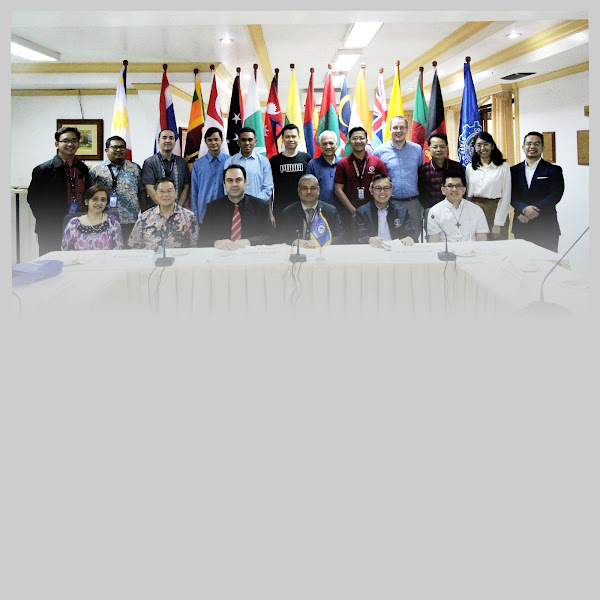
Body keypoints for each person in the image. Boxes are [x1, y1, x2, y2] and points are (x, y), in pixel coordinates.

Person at [27, 126, 92, 255]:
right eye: (65, 141)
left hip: (78, 224)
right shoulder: (43, 170)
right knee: (51, 262)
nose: (70, 144)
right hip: (50, 227)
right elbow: (33, 199)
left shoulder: (83, 168)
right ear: (57, 144)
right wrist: (45, 219)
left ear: (78, 144)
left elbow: (87, 194)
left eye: (74, 140)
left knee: (76, 260)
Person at [510, 131, 565, 252]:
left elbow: (555, 195)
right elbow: (511, 195)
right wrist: (524, 209)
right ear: (523, 147)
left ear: (543, 147)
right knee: (522, 260)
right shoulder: (513, 170)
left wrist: (531, 211)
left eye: (537, 143)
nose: (532, 147)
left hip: (546, 226)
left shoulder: (553, 170)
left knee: (547, 261)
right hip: (521, 224)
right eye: (529, 143)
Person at [199, 165, 274, 249]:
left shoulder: (260, 206)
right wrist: (216, 243)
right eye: (229, 180)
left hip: (250, 255)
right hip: (222, 255)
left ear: (245, 181)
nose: (234, 184)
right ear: (224, 184)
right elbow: (202, 240)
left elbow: (271, 237)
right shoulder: (213, 208)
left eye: (238, 180)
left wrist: (249, 242)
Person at [89, 135, 145, 242]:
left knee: (129, 249)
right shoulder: (96, 170)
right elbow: (89, 195)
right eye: (115, 147)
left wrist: (144, 216)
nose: (119, 150)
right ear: (106, 150)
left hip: (130, 220)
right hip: (103, 219)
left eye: (122, 147)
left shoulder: (135, 168)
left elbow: (141, 192)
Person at [334, 126, 387, 237]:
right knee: (351, 241)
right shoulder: (343, 163)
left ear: (367, 141)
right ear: (349, 142)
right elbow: (338, 189)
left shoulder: (377, 162)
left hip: (373, 212)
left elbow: (385, 187)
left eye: (361, 138)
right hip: (349, 212)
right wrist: (354, 211)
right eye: (354, 138)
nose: (358, 141)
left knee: (373, 240)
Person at [373, 115, 423, 228]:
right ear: (390, 129)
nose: (398, 131)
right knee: (391, 235)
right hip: (389, 203)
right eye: (395, 128)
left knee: (414, 236)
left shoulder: (417, 150)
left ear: (407, 129)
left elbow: (420, 174)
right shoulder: (379, 151)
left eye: (402, 127)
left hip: (412, 203)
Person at [128, 177, 198, 249]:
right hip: (152, 256)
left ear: (176, 194)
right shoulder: (144, 218)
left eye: (169, 191)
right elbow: (134, 246)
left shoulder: (189, 216)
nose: (165, 195)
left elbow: (194, 245)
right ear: (156, 195)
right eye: (161, 191)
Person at [465, 132, 511, 240]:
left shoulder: (503, 167)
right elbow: (467, 195)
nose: (482, 148)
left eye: (486, 144)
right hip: (474, 209)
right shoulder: (470, 168)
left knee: (497, 245)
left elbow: (506, 196)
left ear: (492, 146)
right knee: (477, 244)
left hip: (494, 210)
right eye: (478, 145)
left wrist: (498, 224)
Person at [278, 174, 345, 247]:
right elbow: (278, 237)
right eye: (304, 188)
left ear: (318, 190)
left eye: (313, 188)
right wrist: (293, 241)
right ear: (298, 191)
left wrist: (322, 241)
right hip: (298, 251)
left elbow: (341, 237)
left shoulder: (330, 211)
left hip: (321, 251)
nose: (309, 192)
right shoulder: (288, 212)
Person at [355, 174, 419, 247]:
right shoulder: (362, 212)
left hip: (396, 251)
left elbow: (412, 234)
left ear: (391, 190)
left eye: (386, 188)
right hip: (373, 250)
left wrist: (410, 238)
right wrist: (369, 240)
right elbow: (359, 237)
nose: (382, 192)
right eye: (378, 188)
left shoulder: (401, 212)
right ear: (371, 190)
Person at [427, 171, 489, 242]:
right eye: (450, 186)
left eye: (458, 186)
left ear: (464, 190)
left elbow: (482, 240)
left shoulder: (477, 210)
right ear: (443, 190)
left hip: (470, 249)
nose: (454, 189)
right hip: (446, 249)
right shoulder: (434, 212)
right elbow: (434, 242)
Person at [61, 184, 123, 251]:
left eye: (103, 200)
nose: (99, 203)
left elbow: (118, 250)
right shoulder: (73, 224)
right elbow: (65, 251)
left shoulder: (113, 222)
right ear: (86, 201)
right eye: (95, 199)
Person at [269, 123, 312, 219]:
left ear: (298, 138)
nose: (291, 139)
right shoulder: (274, 161)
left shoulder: (307, 158)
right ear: (282, 139)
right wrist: (270, 213)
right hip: (280, 210)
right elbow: (269, 189)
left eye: (293, 136)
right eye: (287, 137)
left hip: (303, 209)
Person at [141, 129, 191, 209]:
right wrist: (164, 209)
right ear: (158, 141)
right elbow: (149, 188)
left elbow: (186, 187)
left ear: (175, 142)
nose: (168, 140)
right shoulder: (149, 162)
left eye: (171, 138)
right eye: (164, 138)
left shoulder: (182, 162)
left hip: (178, 210)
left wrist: (177, 208)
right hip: (155, 210)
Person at [223, 127, 274, 203]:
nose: (247, 143)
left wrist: (255, 203)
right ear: (238, 142)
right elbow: (227, 186)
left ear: (255, 142)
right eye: (243, 140)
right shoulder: (230, 162)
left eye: (250, 140)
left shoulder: (263, 161)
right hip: (235, 206)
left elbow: (268, 187)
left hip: (258, 206)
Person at [190, 127, 229, 224]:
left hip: (225, 213)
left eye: (216, 139)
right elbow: (194, 191)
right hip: (203, 212)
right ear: (205, 142)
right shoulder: (198, 165)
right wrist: (195, 214)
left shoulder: (229, 162)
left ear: (222, 140)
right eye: (210, 140)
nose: (213, 142)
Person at [418, 132, 465, 212]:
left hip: (455, 210)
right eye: (435, 147)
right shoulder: (423, 170)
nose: (439, 150)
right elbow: (421, 194)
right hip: (432, 211)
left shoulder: (457, 167)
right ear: (429, 149)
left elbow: (463, 189)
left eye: (442, 147)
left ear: (447, 148)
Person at [306, 130, 340, 208]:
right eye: (324, 143)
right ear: (319, 145)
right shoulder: (312, 164)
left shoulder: (342, 163)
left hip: (341, 210)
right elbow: (309, 189)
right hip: (320, 210)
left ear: (336, 144)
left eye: (331, 143)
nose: (328, 146)